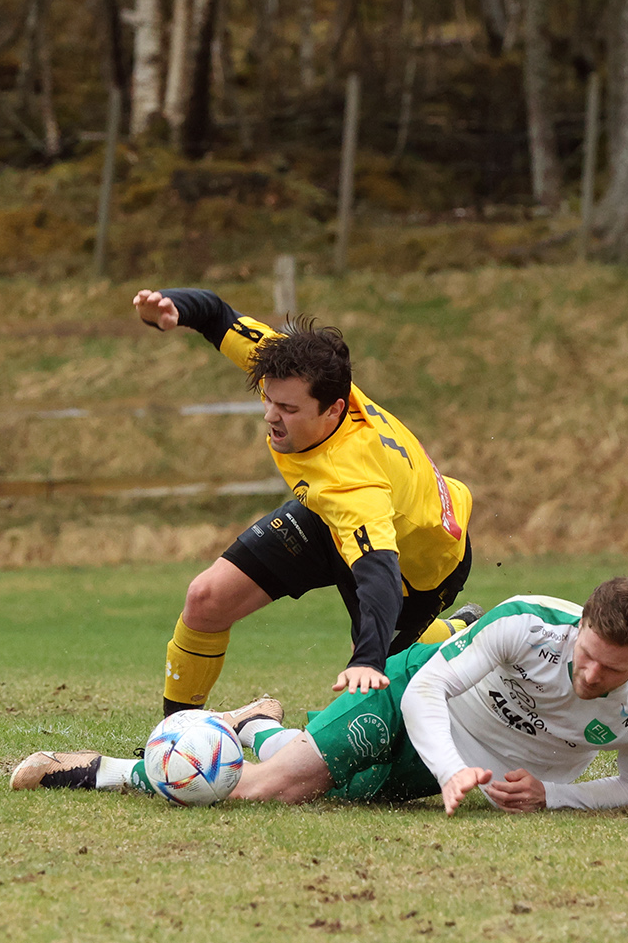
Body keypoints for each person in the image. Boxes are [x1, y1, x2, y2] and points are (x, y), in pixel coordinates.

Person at [11, 577, 628, 813]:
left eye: (609, 672)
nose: (588, 676)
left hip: (449, 763)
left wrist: (551, 796)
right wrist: (452, 771)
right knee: (262, 791)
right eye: (586, 655)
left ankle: (250, 722)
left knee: (324, 791)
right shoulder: (529, 625)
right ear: (582, 625)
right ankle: (97, 772)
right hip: (414, 697)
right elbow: (428, 690)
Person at [131, 288, 479, 714]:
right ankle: (177, 738)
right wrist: (172, 308)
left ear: (334, 410)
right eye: (268, 399)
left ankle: (452, 633)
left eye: (288, 409)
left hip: (415, 565)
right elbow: (218, 314)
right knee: (206, 598)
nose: (271, 416)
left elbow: (380, 577)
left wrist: (366, 660)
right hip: (327, 517)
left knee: (370, 697)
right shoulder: (287, 368)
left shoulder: (352, 480)